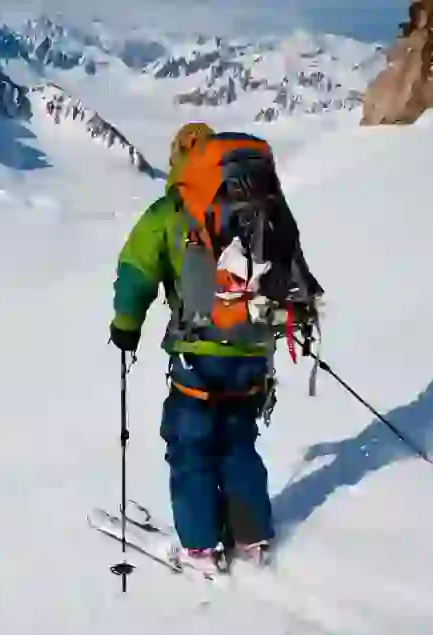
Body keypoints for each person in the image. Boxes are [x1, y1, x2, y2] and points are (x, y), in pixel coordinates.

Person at [108, 122, 321, 574]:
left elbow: (135, 273)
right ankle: (252, 537)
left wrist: (125, 327)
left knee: (192, 447)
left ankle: (200, 547)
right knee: (238, 442)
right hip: (254, 350)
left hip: (198, 356)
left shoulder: (171, 211)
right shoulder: (257, 204)